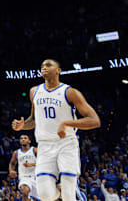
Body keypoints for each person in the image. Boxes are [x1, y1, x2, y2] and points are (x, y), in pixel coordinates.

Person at [12, 59, 101, 201]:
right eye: (42, 66)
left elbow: (95, 120)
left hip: (66, 143)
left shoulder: (70, 92)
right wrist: (22, 126)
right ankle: (58, 191)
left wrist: (67, 123)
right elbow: (34, 120)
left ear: (58, 70)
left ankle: (67, 189)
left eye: (48, 65)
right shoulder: (34, 91)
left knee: (68, 195)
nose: (44, 68)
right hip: (44, 145)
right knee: (45, 195)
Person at [8, 135, 38, 201]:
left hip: (36, 177)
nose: (23, 139)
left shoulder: (34, 150)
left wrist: (32, 164)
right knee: (25, 192)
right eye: (21, 138)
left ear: (29, 141)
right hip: (24, 177)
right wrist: (11, 171)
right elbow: (12, 163)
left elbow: (44, 162)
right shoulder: (16, 153)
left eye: (25, 138)